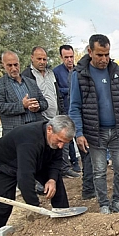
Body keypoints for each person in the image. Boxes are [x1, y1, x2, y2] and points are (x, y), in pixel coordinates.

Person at [0, 116, 75, 236]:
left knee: (56, 183)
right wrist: (34, 207)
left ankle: (64, 216)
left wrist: (52, 179)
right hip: (3, 166)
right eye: (59, 141)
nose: (61, 146)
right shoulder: (29, 140)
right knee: (5, 201)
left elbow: (56, 161)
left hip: (36, 162)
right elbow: (25, 177)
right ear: (49, 129)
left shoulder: (57, 139)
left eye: (65, 143)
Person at [68, 34, 119, 214]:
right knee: (99, 171)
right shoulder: (80, 75)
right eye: (99, 55)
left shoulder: (117, 71)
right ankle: (104, 204)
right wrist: (79, 133)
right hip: (94, 132)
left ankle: (117, 202)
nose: (104, 59)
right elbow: (74, 106)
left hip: (118, 130)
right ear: (90, 51)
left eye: (107, 54)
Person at [22, 46, 78, 179]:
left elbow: (57, 94)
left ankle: (64, 168)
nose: (42, 62)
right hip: (41, 118)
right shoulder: (27, 75)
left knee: (62, 143)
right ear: (32, 58)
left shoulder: (51, 73)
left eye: (44, 59)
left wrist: (63, 112)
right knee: (46, 148)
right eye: (39, 59)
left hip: (57, 115)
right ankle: (48, 175)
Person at [0, 51, 48, 136]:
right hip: (15, 132)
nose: (14, 68)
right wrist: (22, 105)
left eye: (16, 65)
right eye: (9, 65)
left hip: (36, 129)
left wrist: (37, 106)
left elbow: (44, 103)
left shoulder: (31, 82)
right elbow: (0, 107)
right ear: (3, 65)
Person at [53, 45, 81, 175]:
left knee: (79, 136)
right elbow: (57, 92)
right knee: (66, 139)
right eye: (66, 57)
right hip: (64, 111)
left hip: (77, 111)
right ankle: (71, 163)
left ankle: (80, 163)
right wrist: (69, 91)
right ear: (61, 57)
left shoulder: (78, 71)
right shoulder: (56, 72)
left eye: (71, 56)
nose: (69, 60)